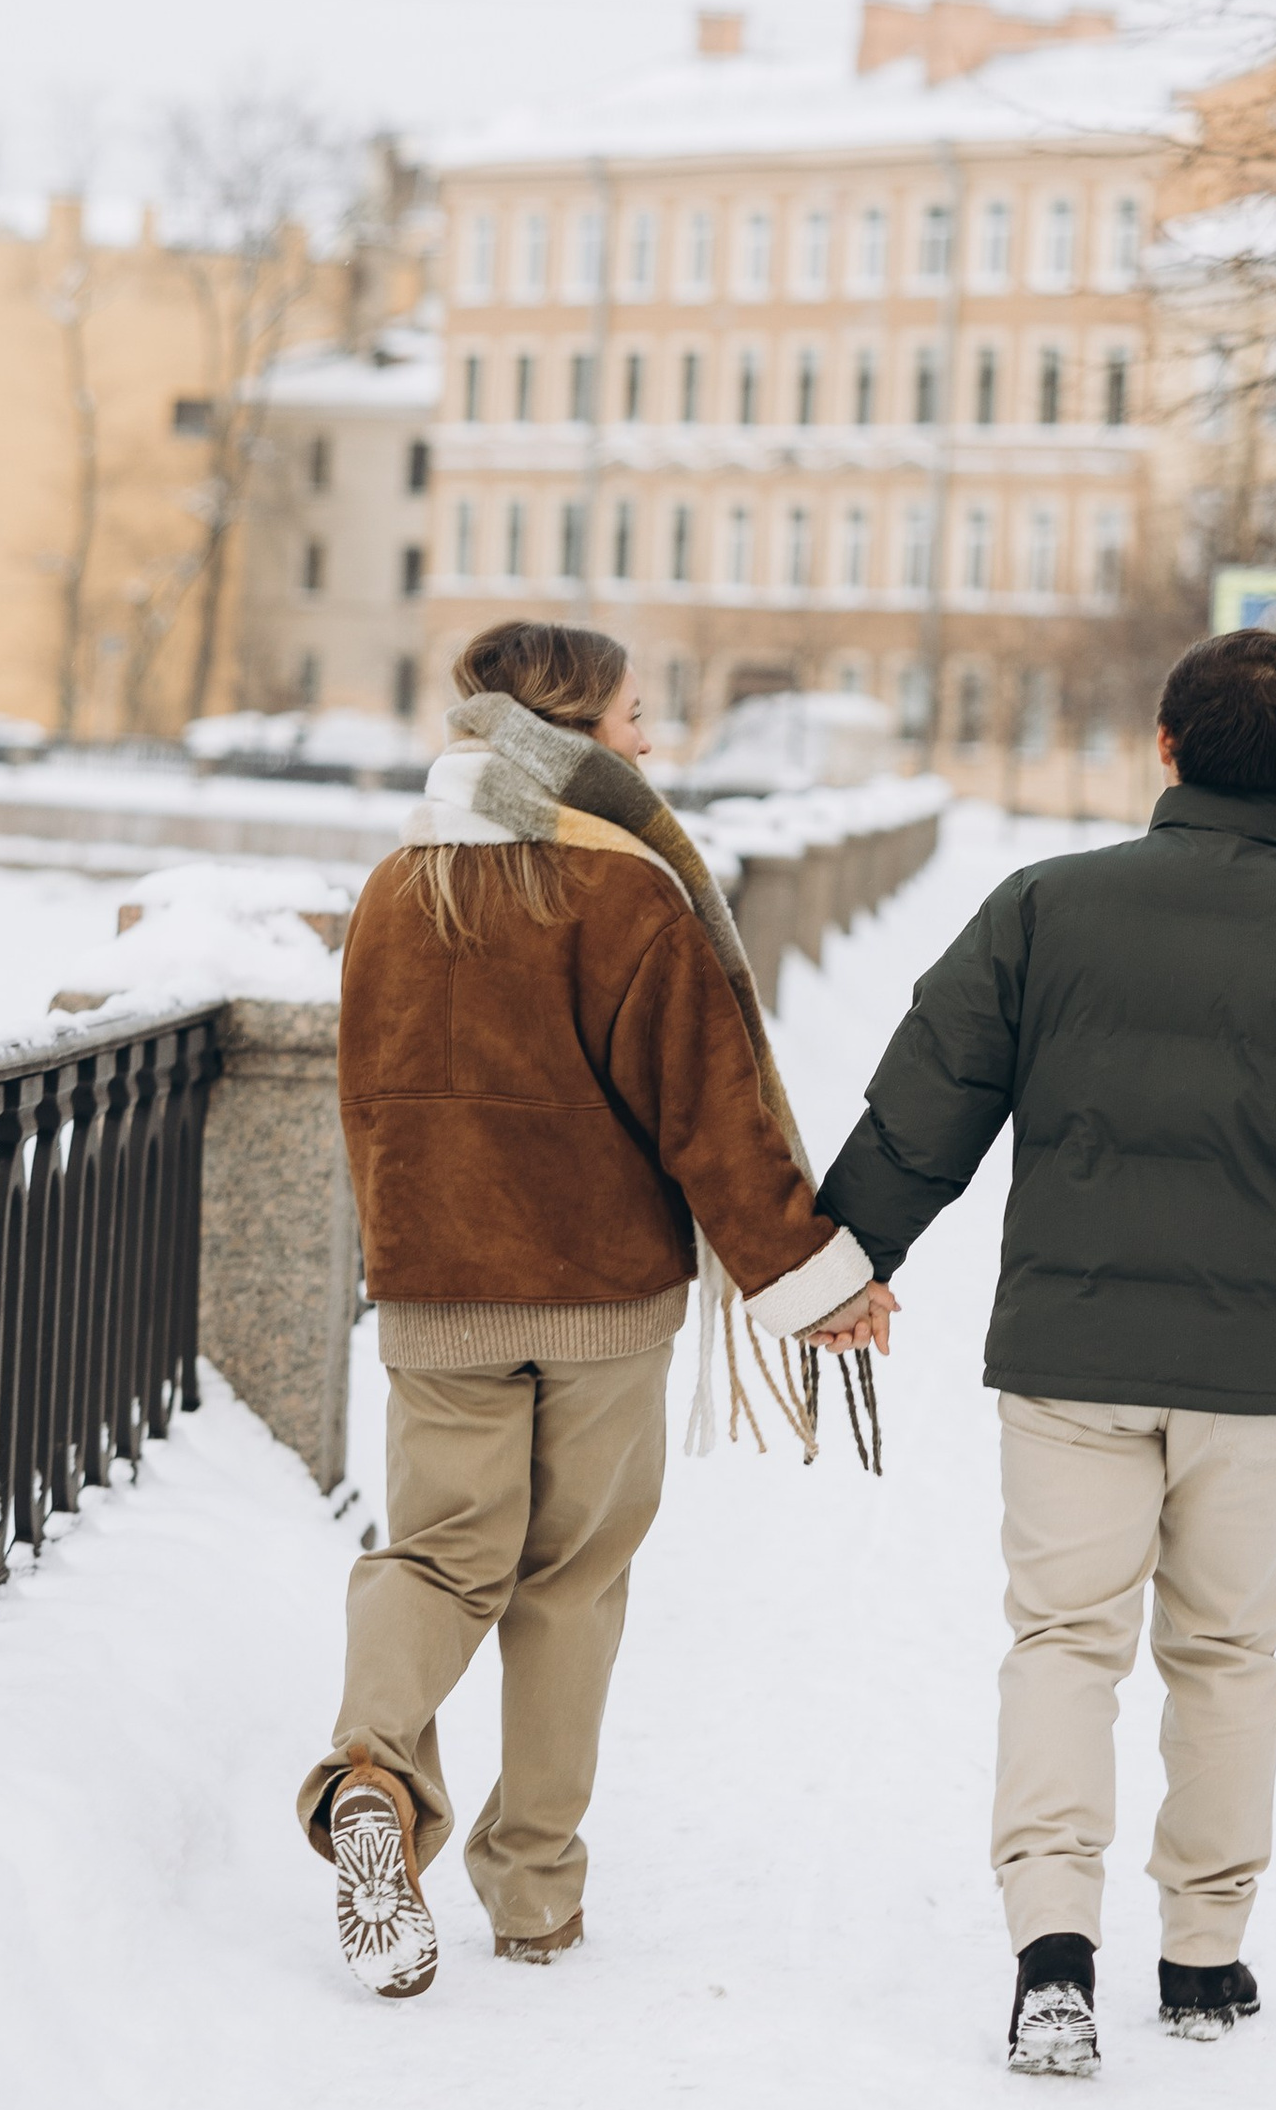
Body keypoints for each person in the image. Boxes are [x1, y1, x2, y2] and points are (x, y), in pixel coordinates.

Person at [817, 627, 1276, 2078]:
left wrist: (852, 1258)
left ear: (1166, 751)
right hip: (1259, 1379)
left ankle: (1053, 1954)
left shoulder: (1048, 908)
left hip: (1072, 1357)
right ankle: (1203, 1957)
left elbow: (928, 1098)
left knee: (1065, 1642)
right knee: (1227, 1655)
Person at [299, 619, 887, 1998]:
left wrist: (410, 1252)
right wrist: (811, 1280)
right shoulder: (628, 896)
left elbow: (365, 1102)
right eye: (633, 716)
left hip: (441, 1289)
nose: (650, 739)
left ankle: (374, 1775)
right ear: (569, 730)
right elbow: (712, 1121)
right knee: (568, 1586)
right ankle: (536, 1896)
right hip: (601, 1298)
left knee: (441, 1556)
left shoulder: (396, 887)